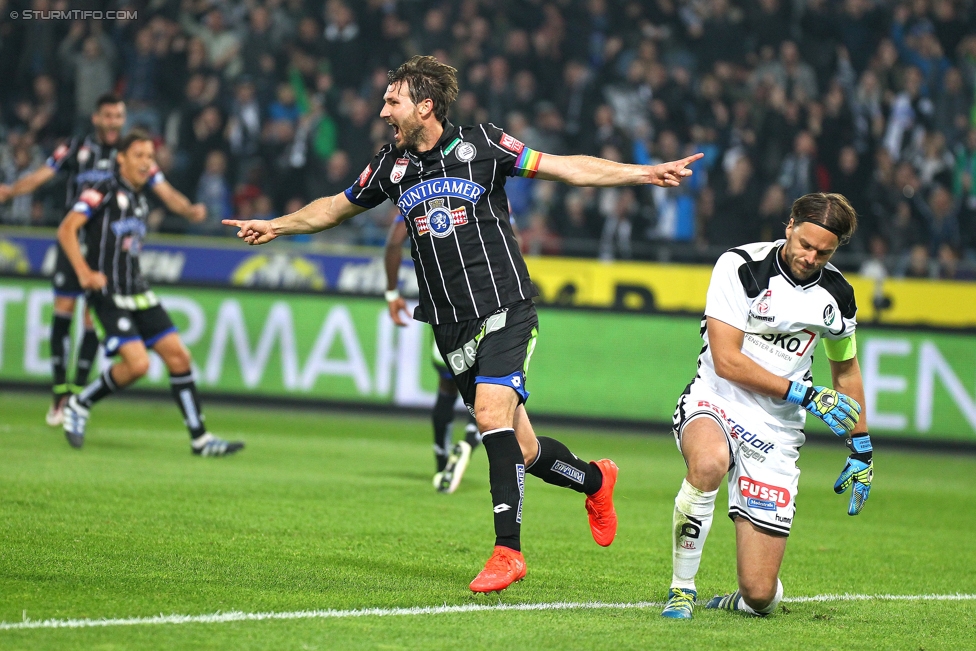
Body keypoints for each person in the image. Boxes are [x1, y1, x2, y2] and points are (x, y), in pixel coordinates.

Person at [224, 55, 702, 593]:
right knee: (520, 449)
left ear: (424, 106)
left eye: (393, 101)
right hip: (448, 326)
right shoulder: (392, 166)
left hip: (505, 308)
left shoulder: (484, 145)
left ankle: (507, 552)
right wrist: (276, 226)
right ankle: (595, 479)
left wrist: (642, 173)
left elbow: (564, 166)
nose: (383, 110)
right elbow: (335, 208)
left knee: (488, 411)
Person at [660, 192, 873, 619]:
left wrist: (861, 446)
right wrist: (805, 394)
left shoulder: (838, 296)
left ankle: (742, 599)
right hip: (717, 397)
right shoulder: (739, 267)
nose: (811, 257)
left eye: (824, 252)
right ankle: (681, 589)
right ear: (789, 225)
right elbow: (728, 361)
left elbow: (846, 371)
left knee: (760, 595)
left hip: (777, 427)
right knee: (708, 463)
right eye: (805, 245)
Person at [0, 94, 206, 427]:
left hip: (104, 253)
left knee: (92, 323)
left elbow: (165, 192)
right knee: (63, 317)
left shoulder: (134, 156)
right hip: (74, 245)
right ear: (96, 118)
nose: (113, 121)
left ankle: (78, 394)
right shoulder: (76, 148)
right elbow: (43, 175)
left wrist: (188, 209)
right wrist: (12, 191)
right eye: (108, 116)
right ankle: (59, 396)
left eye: (119, 116)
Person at [56, 130, 243, 457]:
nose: (146, 162)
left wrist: (189, 211)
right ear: (121, 159)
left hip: (138, 290)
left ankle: (200, 439)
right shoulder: (100, 191)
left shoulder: (141, 197)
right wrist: (84, 274)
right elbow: (66, 228)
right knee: (138, 365)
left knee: (179, 357)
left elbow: (172, 199)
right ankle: (79, 402)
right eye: (139, 155)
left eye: (150, 157)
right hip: (108, 293)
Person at [384, 215, 481, 494]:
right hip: (489, 301)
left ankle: (442, 464)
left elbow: (394, 243)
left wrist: (392, 292)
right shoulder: (488, 190)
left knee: (448, 385)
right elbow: (514, 243)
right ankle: (469, 442)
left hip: (444, 306)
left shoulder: (417, 192)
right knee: (489, 384)